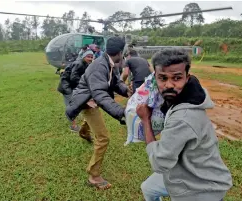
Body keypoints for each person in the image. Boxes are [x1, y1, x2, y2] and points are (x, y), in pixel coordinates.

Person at [136, 48, 232, 201]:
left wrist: (146, 120)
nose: (169, 85)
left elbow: (159, 163)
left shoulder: (183, 118)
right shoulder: (189, 94)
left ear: (187, 78)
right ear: (155, 77)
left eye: (176, 78)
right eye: (162, 78)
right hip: (185, 170)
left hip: (201, 188)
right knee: (148, 188)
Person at [66, 36, 132, 190]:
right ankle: (94, 176)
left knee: (94, 123)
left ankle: (83, 131)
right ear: (120, 52)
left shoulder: (109, 63)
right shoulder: (98, 66)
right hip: (87, 102)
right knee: (103, 138)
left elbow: (114, 82)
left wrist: (127, 91)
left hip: (91, 99)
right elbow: (100, 95)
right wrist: (122, 112)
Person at [57, 50, 94, 134]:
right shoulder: (79, 64)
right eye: (88, 56)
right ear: (84, 56)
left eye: (91, 57)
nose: (90, 58)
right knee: (71, 104)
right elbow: (73, 78)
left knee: (78, 102)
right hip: (66, 87)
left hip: (72, 86)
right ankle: (73, 126)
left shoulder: (85, 64)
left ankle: (78, 117)